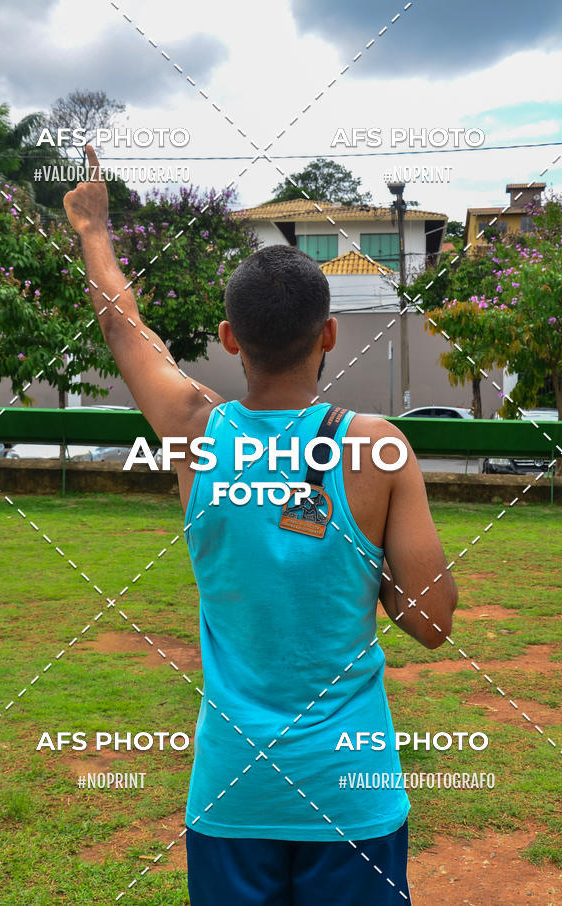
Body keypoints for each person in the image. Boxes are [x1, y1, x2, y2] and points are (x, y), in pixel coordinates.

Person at [64, 147, 458, 905]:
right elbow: (432, 621)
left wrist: (93, 228)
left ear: (230, 338)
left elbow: (123, 327)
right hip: (351, 792)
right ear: (330, 336)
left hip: (232, 793)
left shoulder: (192, 429)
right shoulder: (378, 446)